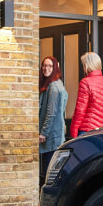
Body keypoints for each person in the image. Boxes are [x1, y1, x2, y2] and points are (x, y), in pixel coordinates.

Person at [38, 56, 68, 187]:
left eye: (50, 66)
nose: (46, 68)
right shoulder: (57, 84)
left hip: (51, 136)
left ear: (55, 68)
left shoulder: (53, 87)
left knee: (49, 172)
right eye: (44, 65)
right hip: (55, 133)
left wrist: (44, 132)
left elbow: (51, 112)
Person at [70, 51, 103, 138]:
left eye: (83, 65)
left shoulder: (85, 82)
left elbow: (80, 111)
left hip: (86, 131)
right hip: (102, 131)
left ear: (87, 65)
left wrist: (73, 131)